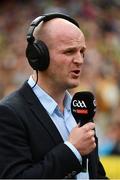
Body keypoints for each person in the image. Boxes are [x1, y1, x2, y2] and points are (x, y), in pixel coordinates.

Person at [0, 13, 108, 179]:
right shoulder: (9, 113)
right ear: (38, 56)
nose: (79, 60)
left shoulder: (80, 109)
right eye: (69, 51)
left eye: (82, 51)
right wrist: (72, 150)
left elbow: (96, 175)